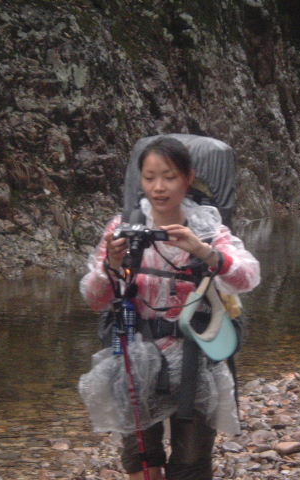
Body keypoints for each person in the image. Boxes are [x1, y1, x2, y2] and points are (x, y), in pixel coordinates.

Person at [79, 136, 260, 480]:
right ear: (140, 180)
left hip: (196, 360)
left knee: (191, 463)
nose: (158, 187)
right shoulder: (123, 228)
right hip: (135, 356)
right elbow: (94, 298)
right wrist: (111, 266)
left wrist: (203, 251)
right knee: (141, 462)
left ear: (188, 178)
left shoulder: (208, 229)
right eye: (149, 178)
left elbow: (248, 277)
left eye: (169, 177)